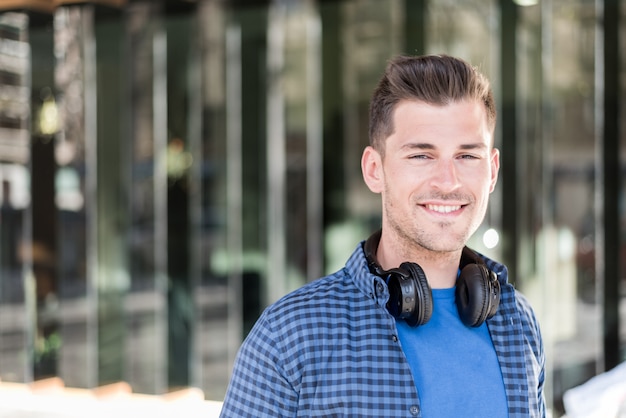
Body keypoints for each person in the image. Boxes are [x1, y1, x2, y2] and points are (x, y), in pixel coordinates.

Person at [219, 54, 545, 417]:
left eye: (467, 156)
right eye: (422, 156)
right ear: (375, 169)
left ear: (493, 171)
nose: (448, 181)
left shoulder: (517, 322)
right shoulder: (290, 335)